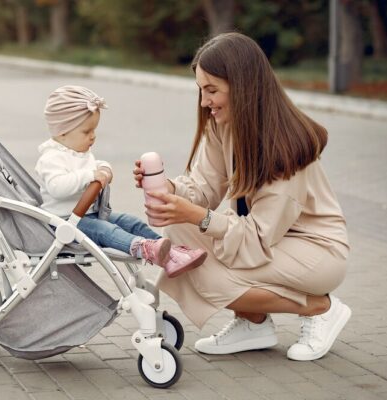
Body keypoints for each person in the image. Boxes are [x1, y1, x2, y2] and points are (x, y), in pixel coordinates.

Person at [133, 33, 351, 361]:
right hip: (267, 239)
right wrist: (170, 190)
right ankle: (254, 323)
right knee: (179, 239)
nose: (205, 101)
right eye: (201, 90)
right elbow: (204, 190)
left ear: (243, 86)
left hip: (315, 250)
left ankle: (320, 307)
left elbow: (256, 237)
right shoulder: (223, 125)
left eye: (212, 90)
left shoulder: (285, 148)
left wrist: (198, 217)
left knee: (208, 275)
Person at [36, 85, 207, 277]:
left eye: (94, 130)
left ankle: (172, 253)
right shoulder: (51, 158)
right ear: (62, 132)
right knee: (106, 230)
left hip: (88, 215)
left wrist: (104, 167)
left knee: (130, 221)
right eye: (86, 132)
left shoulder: (77, 150)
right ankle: (144, 249)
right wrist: (91, 176)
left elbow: (93, 165)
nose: (93, 136)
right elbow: (57, 187)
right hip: (66, 222)